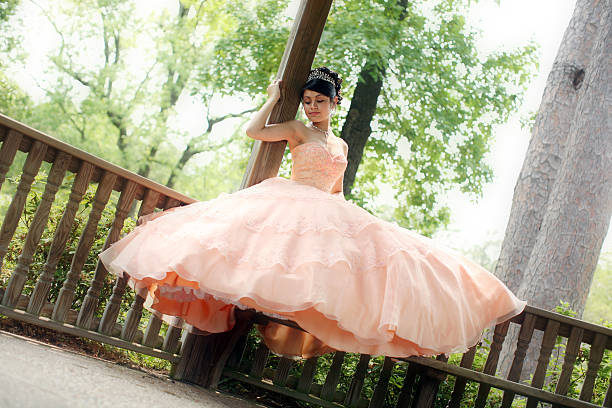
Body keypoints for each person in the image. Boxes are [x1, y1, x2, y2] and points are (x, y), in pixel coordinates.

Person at [99, 67, 525, 358]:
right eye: (307, 100)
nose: (312, 106)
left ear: (335, 102)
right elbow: (253, 132)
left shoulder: (340, 145)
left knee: (378, 257)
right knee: (252, 256)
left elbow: (336, 189)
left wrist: (348, 227)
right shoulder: (299, 130)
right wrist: (273, 99)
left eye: (320, 100)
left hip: (327, 209)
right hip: (290, 198)